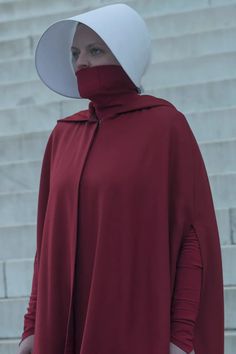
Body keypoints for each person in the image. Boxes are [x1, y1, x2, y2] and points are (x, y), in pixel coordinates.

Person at [17, 3, 224, 354]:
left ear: (127, 53)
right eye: (75, 52)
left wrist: (181, 334)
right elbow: (46, 243)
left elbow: (193, 236)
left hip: (135, 324)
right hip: (62, 323)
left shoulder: (164, 128)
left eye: (95, 50)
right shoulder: (63, 135)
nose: (81, 62)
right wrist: (33, 325)